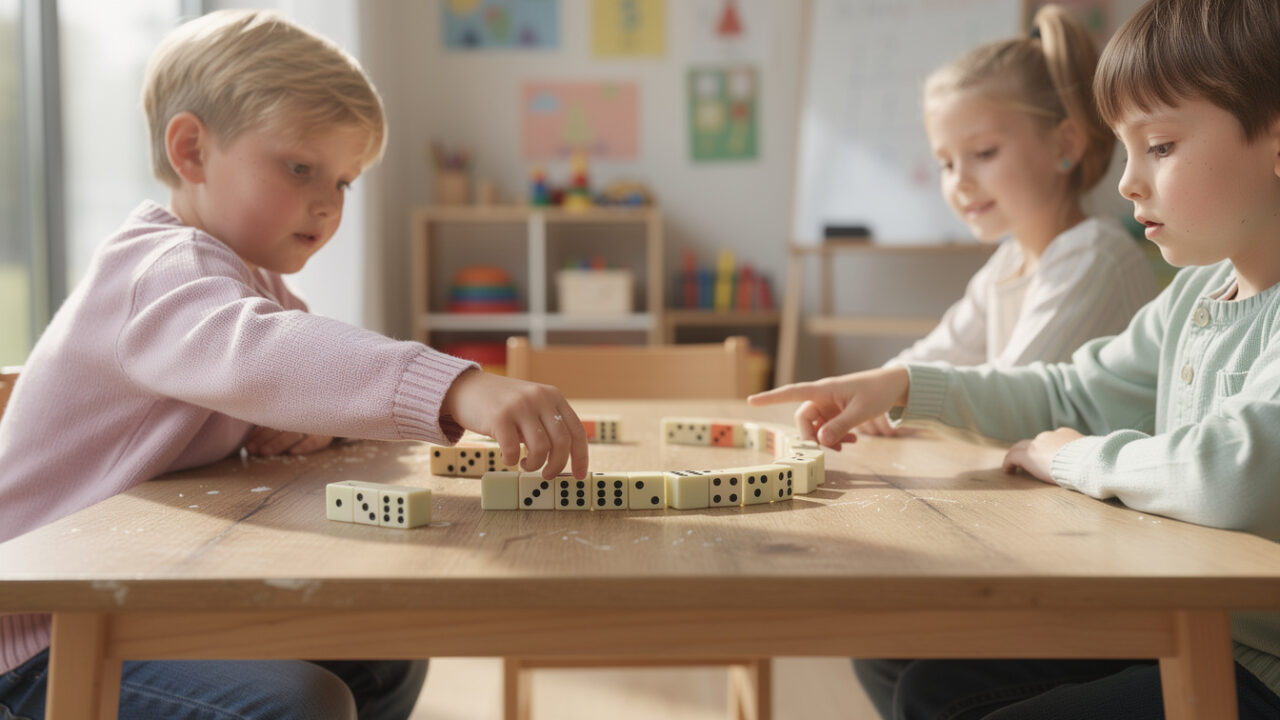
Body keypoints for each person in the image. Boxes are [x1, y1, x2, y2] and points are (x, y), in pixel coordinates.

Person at [0, 10, 588, 720]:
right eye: (301, 168)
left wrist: (314, 429)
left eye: (344, 181)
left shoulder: (251, 283)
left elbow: (297, 376)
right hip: (41, 640)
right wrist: (457, 385)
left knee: (384, 650)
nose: (327, 203)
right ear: (190, 151)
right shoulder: (158, 270)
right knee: (298, 704)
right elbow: (263, 355)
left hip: (137, 600)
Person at [750, 0, 1280, 717]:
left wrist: (1073, 458)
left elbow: (1233, 472)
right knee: (926, 682)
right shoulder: (1194, 296)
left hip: (1258, 664)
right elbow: (1072, 393)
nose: (1126, 181)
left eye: (1158, 146)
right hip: (1189, 621)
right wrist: (906, 384)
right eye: (1126, 150)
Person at [859, 3, 1158, 438]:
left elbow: (1009, 399)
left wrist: (899, 394)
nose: (959, 182)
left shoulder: (1093, 255)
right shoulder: (1007, 265)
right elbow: (940, 354)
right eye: (945, 163)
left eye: (983, 154)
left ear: (1065, 145)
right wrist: (872, 390)